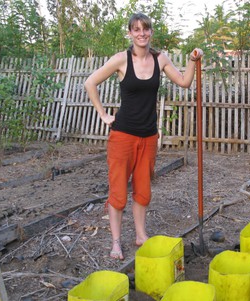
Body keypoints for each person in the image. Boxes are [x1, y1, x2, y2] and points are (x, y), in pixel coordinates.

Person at [84, 12, 203, 260]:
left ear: (151, 32)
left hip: (149, 137)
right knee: (118, 191)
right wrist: (104, 115)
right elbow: (90, 83)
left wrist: (193, 60)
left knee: (143, 190)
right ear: (130, 33)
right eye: (136, 29)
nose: (141, 33)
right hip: (123, 137)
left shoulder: (160, 59)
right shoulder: (121, 60)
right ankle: (116, 242)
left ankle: (141, 234)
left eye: (145, 29)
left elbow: (184, 82)